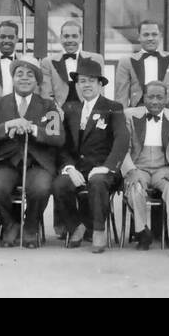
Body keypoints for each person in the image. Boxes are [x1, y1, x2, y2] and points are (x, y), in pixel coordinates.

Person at [0, 60, 63, 248]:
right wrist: (8, 125)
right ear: (13, 78)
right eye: (20, 74)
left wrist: (33, 129)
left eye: (30, 75)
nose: (24, 78)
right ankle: (9, 224)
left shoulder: (48, 106)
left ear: (37, 81)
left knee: (41, 188)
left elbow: (58, 137)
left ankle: (30, 226)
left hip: (36, 163)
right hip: (5, 162)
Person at [52, 64, 128, 253]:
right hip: (78, 168)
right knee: (59, 185)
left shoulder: (113, 107)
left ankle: (99, 229)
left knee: (97, 181)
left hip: (104, 170)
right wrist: (69, 167)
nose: (86, 85)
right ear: (76, 85)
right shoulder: (70, 108)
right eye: (82, 81)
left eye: (91, 81)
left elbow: (122, 139)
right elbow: (63, 144)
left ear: (100, 84)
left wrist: (108, 166)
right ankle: (76, 225)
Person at [122, 81, 169, 257]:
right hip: (139, 166)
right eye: (150, 97)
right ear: (143, 97)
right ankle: (142, 232)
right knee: (135, 188)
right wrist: (131, 170)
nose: (154, 101)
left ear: (167, 98)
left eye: (159, 97)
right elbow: (121, 147)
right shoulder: (129, 115)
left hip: (164, 167)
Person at [115, 20, 169, 110]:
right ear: (139, 37)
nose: (150, 38)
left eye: (154, 34)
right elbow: (121, 96)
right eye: (146, 35)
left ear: (160, 36)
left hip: (165, 113)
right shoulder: (126, 61)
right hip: (137, 113)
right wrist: (122, 120)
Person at [39, 20, 107, 111]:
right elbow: (46, 94)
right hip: (58, 112)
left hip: (87, 111)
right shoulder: (47, 62)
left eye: (74, 36)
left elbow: (99, 90)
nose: (70, 40)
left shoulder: (96, 59)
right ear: (61, 38)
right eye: (66, 36)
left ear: (81, 38)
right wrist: (55, 112)